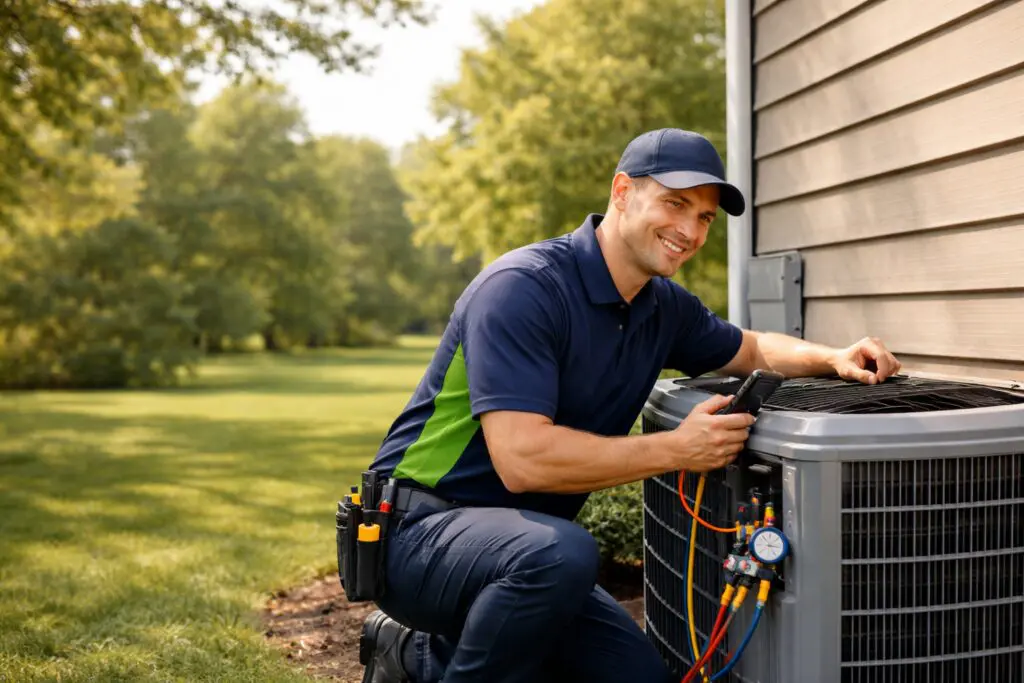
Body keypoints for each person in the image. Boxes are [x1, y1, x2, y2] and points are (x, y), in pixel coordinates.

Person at [356, 128, 901, 683]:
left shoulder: (661, 307)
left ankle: (411, 656)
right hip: (415, 533)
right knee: (561, 556)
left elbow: (753, 347)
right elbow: (522, 461)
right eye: (675, 203)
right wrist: (676, 449)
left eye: (705, 218)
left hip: (522, 553)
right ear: (622, 192)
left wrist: (834, 356)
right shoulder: (522, 289)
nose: (689, 231)